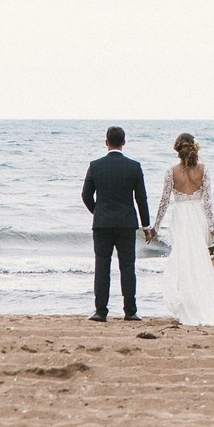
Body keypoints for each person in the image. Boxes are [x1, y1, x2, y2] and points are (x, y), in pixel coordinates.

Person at [146, 133, 214, 326]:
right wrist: (213, 227)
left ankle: (190, 306)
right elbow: (208, 202)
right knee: (203, 261)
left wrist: (155, 227)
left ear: (177, 150)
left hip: (181, 218)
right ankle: (208, 302)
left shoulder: (171, 172)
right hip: (199, 217)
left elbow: (164, 201)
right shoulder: (203, 170)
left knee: (186, 262)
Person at [80, 126, 152, 322]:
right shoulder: (134, 167)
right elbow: (141, 198)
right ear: (124, 142)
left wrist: (98, 211)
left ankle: (100, 311)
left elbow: (86, 195)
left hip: (102, 224)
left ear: (106, 142)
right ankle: (130, 311)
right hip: (127, 223)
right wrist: (146, 226)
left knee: (102, 266)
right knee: (128, 266)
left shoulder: (95, 166)